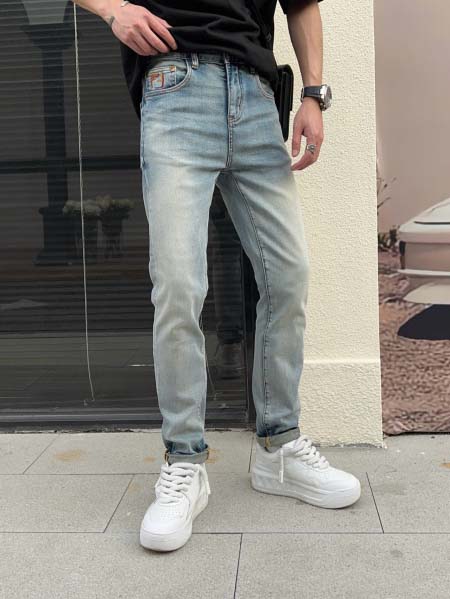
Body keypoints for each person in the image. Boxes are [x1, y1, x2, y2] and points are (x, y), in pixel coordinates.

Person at [72, 0, 361, 553]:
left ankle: (278, 449)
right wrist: (112, 10)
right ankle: (185, 461)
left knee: (288, 276)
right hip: (175, 87)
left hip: (256, 96)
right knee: (179, 284)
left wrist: (313, 94)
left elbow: (302, 4)